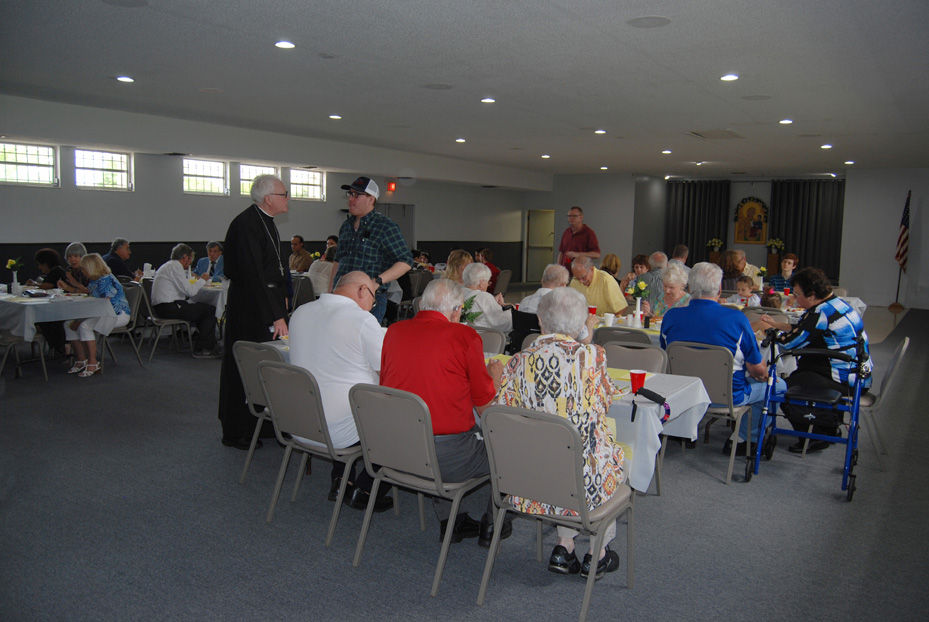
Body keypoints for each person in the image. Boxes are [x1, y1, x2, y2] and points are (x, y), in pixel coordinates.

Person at [496, 287, 626, 579]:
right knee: (614, 460)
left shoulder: (518, 361)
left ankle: (564, 546)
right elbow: (604, 402)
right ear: (582, 324)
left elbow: (503, 410)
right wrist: (587, 341)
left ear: (541, 321)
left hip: (527, 479)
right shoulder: (593, 356)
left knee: (566, 455)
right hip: (579, 482)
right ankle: (597, 553)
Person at [379, 279, 511, 546]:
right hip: (447, 458)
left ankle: (452, 520)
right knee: (511, 447)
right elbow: (486, 409)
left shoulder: (393, 332)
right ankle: (493, 523)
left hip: (398, 449)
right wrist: (494, 380)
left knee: (432, 427)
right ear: (456, 311)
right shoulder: (464, 336)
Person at [288, 271, 392, 511]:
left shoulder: (301, 312)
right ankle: (364, 491)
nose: (371, 307)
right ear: (362, 291)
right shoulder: (362, 320)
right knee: (399, 413)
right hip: (336, 433)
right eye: (373, 299)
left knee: (344, 394)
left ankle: (341, 478)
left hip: (299, 423)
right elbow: (388, 369)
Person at [660, 262, 785, 454]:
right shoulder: (736, 319)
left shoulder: (671, 317)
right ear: (719, 289)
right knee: (777, 385)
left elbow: (665, 358)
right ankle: (744, 438)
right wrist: (763, 373)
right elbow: (756, 369)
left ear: (691, 288)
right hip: (726, 397)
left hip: (684, 393)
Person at [762, 267, 871, 453]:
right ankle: (828, 427)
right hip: (859, 374)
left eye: (797, 295)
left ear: (811, 295)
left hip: (843, 379)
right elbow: (807, 328)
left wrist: (769, 332)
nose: (795, 299)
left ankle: (815, 436)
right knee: (800, 374)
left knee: (783, 387)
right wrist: (778, 324)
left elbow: (789, 344)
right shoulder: (836, 304)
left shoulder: (819, 314)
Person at [217, 174, 290, 450]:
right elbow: (253, 275)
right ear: (268, 199)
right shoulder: (247, 224)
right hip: (249, 307)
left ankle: (261, 423)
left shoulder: (265, 222)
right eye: (284, 194)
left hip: (262, 302)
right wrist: (275, 314)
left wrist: (281, 298)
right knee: (244, 365)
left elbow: (272, 270)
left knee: (264, 365)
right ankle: (236, 429)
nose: (287, 199)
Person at [332, 176, 414, 323]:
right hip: (341, 297)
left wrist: (377, 282)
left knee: (361, 343)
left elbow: (406, 261)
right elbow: (338, 262)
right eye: (350, 194)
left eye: (357, 195)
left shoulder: (385, 226)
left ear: (371, 199)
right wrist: (331, 290)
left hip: (368, 299)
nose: (351, 199)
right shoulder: (346, 226)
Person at [62, 253, 130, 378]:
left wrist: (81, 319)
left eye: (83, 269)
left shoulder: (106, 280)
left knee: (84, 326)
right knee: (68, 324)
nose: (82, 271)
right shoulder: (94, 280)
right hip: (103, 312)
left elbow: (104, 304)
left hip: (117, 314)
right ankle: (82, 359)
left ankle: (93, 362)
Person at [151, 243, 219, 358]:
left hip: (163, 306)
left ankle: (205, 342)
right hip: (169, 307)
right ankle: (203, 348)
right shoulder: (176, 266)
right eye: (191, 259)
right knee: (209, 310)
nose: (191, 262)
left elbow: (185, 287)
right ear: (185, 257)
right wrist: (202, 280)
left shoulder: (168, 266)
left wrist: (193, 280)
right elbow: (190, 292)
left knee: (201, 308)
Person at [461, 262, 512, 333]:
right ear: (481, 283)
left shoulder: (458, 292)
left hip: (463, 334)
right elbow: (504, 323)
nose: (488, 285)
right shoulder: (484, 297)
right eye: (488, 282)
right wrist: (510, 309)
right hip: (484, 338)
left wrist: (493, 302)